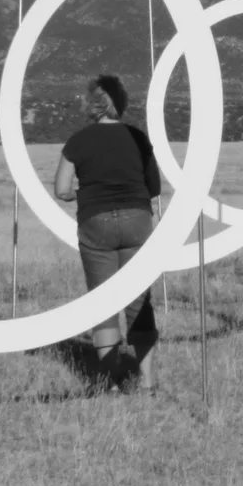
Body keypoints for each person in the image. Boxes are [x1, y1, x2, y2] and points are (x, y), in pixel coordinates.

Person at [52, 74, 164, 391]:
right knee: (139, 302)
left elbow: (61, 189)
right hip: (137, 220)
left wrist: (80, 195)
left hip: (96, 223)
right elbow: (154, 187)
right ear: (121, 104)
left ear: (91, 105)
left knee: (103, 303)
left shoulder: (79, 141)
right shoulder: (137, 137)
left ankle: (111, 382)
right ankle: (147, 382)